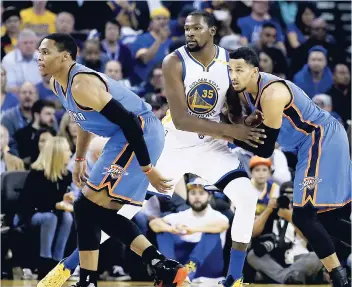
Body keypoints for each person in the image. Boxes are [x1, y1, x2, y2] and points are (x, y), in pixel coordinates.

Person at [37, 33, 187, 287]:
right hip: (122, 136)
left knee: (87, 207)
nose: (39, 57)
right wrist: (80, 157)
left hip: (139, 131)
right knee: (88, 208)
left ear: (64, 57)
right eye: (39, 52)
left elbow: (129, 121)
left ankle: (96, 279)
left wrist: (147, 168)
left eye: (45, 52)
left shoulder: (81, 84)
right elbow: (81, 117)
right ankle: (157, 265)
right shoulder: (57, 83)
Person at [149, 10, 266, 287]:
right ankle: (70, 269)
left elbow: (234, 112)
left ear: (212, 31)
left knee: (247, 198)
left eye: (197, 28)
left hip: (211, 147)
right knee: (125, 209)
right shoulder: (173, 61)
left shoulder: (229, 61)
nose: (189, 32)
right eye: (187, 28)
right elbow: (182, 119)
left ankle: (234, 280)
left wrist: (245, 121)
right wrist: (235, 131)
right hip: (174, 143)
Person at [228, 47, 351, 287]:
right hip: (308, 145)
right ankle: (340, 277)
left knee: (303, 216)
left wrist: (227, 134)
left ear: (254, 71)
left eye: (239, 70)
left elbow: (265, 150)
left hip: (320, 139)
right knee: (325, 220)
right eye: (230, 70)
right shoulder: (250, 91)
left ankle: (340, 280)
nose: (233, 75)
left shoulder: (271, 93)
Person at [15, 137, 73, 279]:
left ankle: (58, 262)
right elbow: (28, 204)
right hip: (29, 216)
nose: (70, 153)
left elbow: (59, 200)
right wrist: (55, 204)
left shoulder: (66, 175)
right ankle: (44, 264)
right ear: (57, 152)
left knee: (67, 217)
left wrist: (65, 200)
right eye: (66, 150)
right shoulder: (37, 174)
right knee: (50, 218)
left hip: (52, 214)